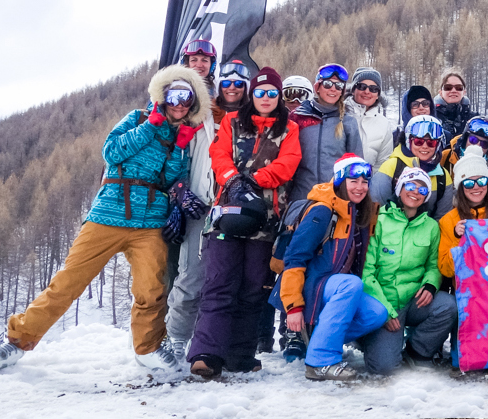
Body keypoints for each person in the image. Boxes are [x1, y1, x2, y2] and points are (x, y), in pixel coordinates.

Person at [0, 66, 207, 375]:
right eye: (174, 96)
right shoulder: (137, 119)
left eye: (187, 98)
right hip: (108, 215)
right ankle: (16, 340)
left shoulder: (182, 139)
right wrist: (150, 127)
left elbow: (172, 180)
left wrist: (179, 149)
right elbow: (111, 152)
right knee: (68, 282)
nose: (180, 104)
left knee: (151, 290)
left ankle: (147, 347)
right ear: (163, 96)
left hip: (149, 223)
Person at [187, 66, 302, 378]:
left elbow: (288, 163)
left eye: (272, 93)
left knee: (253, 288)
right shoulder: (233, 121)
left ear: (279, 97)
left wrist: (254, 180)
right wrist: (233, 180)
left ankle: (240, 355)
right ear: (252, 94)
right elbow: (219, 154)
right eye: (260, 92)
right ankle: (207, 353)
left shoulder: (289, 128)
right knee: (219, 283)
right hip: (226, 214)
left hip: (266, 218)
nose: (265, 98)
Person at [163, 58, 250, 360]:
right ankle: (176, 337)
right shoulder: (199, 117)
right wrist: (179, 190)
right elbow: (176, 154)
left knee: (228, 279)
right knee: (191, 276)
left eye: (239, 84)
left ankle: (216, 343)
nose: (232, 88)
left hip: (234, 209)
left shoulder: (251, 122)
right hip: (199, 204)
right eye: (227, 83)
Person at [278, 154, 387, 381]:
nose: (360, 187)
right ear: (339, 181)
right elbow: (295, 258)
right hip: (313, 287)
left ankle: (319, 340)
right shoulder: (322, 211)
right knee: (351, 284)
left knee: (376, 313)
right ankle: (320, 361)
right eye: (353, 181)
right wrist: (293, 306)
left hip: (337, 289)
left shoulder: (361, 212)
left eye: (365, 182)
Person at [358, 167, 457, 373]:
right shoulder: (379, 219)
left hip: (412, 300)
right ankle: (369, 338)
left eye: (422, 190)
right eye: (410, 186)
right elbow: (366, 271)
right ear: (400, 188)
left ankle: (417, 351)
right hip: (382, 302)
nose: (415, 192)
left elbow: (433, 265)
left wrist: (430, 285)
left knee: (448, 306)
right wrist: (385, 312)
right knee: (384, 368)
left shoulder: (431, 227)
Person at [437, 151, 488, 284]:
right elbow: (446, 270)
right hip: (469, 290)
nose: (476, 187)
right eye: (469, 183)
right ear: (460, 187)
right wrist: (458, 240)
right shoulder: (448, 220)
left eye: (481, 181)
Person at [288, 65, 362, 202]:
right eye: (328, 84)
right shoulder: (298, 117)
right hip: (301, 195)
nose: (333, 89)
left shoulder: (348, 122)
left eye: (339, 86)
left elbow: (356, 165)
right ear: (317, 87)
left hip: (335, 197)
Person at [372, 115, 455, 217]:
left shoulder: (442, 176)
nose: (425, 146)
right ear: (409, 141)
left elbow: (442, 217)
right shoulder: (391, 167)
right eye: (418, 142)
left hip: (426, 227)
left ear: (437, 145)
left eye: (431, 143)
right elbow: (376, 210)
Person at [346, 67, 395, 167]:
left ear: (378, 95)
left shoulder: (383, 124)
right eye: (362, 86)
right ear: (353, 90)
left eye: (373, 89)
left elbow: (383, 162)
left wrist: (373, 178)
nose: (367, 91)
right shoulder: (338, 115)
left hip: (369, 176)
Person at [440, 116, 488, 188]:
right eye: (473, 140)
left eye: (484, 144)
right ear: (465, 139)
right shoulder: (446, 157)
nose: (478, 145)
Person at [433, 69, 475, 146]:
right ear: (440, 92)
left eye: (459, 87)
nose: (453, 90)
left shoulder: (474, 119)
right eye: (448, 87)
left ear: (464, 92)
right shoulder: (432, 117)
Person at [394, 85, 434, 150]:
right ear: (408, 109)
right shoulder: (396, 136)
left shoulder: (442, 135)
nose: (421, 108)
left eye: (425, 103)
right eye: (415, 104)